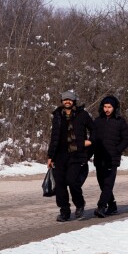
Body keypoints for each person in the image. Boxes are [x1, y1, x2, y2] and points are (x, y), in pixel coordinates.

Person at [47, 90, 95, 221]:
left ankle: (79, 204)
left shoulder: (82, 114)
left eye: (70, 99)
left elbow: (94, 129)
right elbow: (54, 137)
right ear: (62, 101)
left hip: (76, 154)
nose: (67, 101)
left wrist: (90, 141)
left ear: (74, 101)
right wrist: (50, 156)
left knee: (72, 181)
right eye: (65, 99)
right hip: (60, 155)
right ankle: (64, 211)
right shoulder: (57, 115)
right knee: (60, 184)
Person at [92, 95, 128, 217]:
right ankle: (112, 206)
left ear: (114, 108)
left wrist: (117, 150)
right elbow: (92, 139)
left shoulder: (120, 121)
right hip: (99, 157)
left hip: (112, 158)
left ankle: (101, 207)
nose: (107, 109)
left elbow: (126, 140)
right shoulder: (97, 121)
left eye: (109, 107)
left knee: (108, 184)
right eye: (105, 106)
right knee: (102, 184)